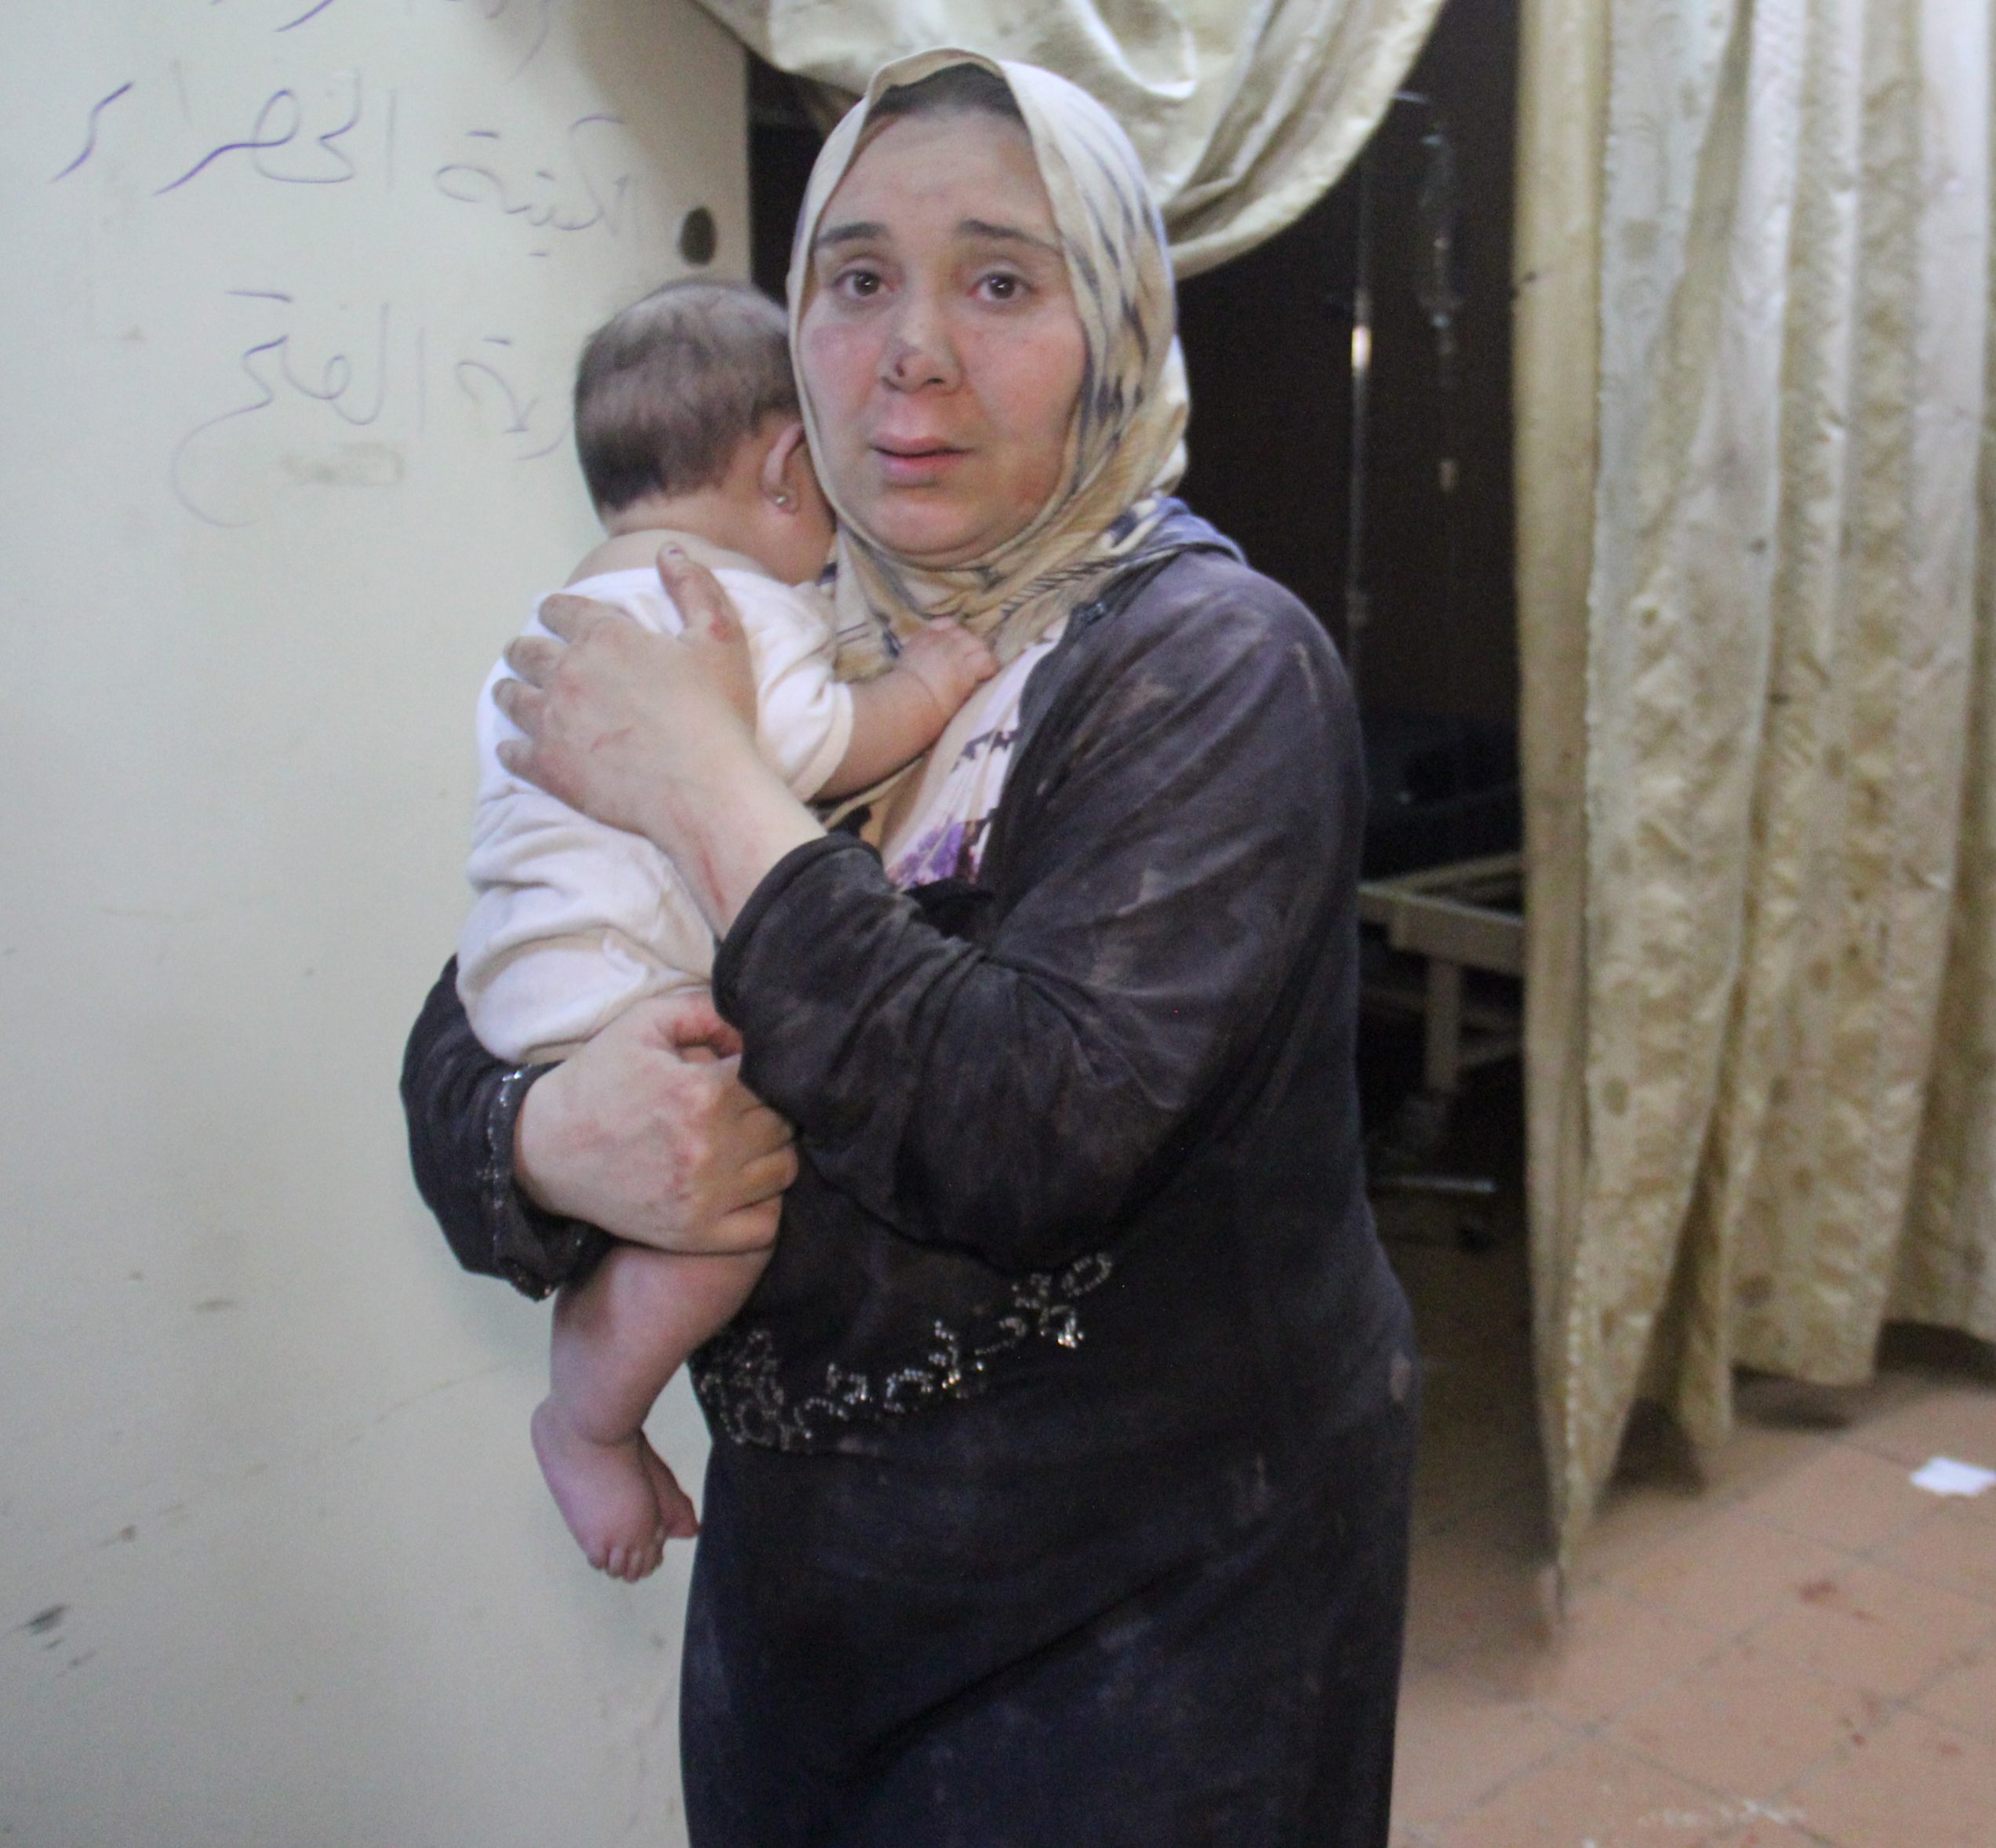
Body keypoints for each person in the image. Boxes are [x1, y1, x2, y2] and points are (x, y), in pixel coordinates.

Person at [399, 51, 1416, 1846]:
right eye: (857, 278)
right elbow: (480, 1011)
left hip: (1158, 1612)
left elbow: (1029, 1133)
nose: (910, 351)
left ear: (1114, 325)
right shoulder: (763, 611)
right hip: (813, 1586)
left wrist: (714, 785)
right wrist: (554, 1137)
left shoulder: (1211, 668)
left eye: (1002, 281)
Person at [460, 278, 994, 1580]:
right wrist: (929, 679)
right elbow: (823, 739)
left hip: (524, 988)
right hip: (627, 990)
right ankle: (588, 1417)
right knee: (725, 1223)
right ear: (785, 464)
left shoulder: (555, 623)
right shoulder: (733, 611)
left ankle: (590, 1369)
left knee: (679, 1203)